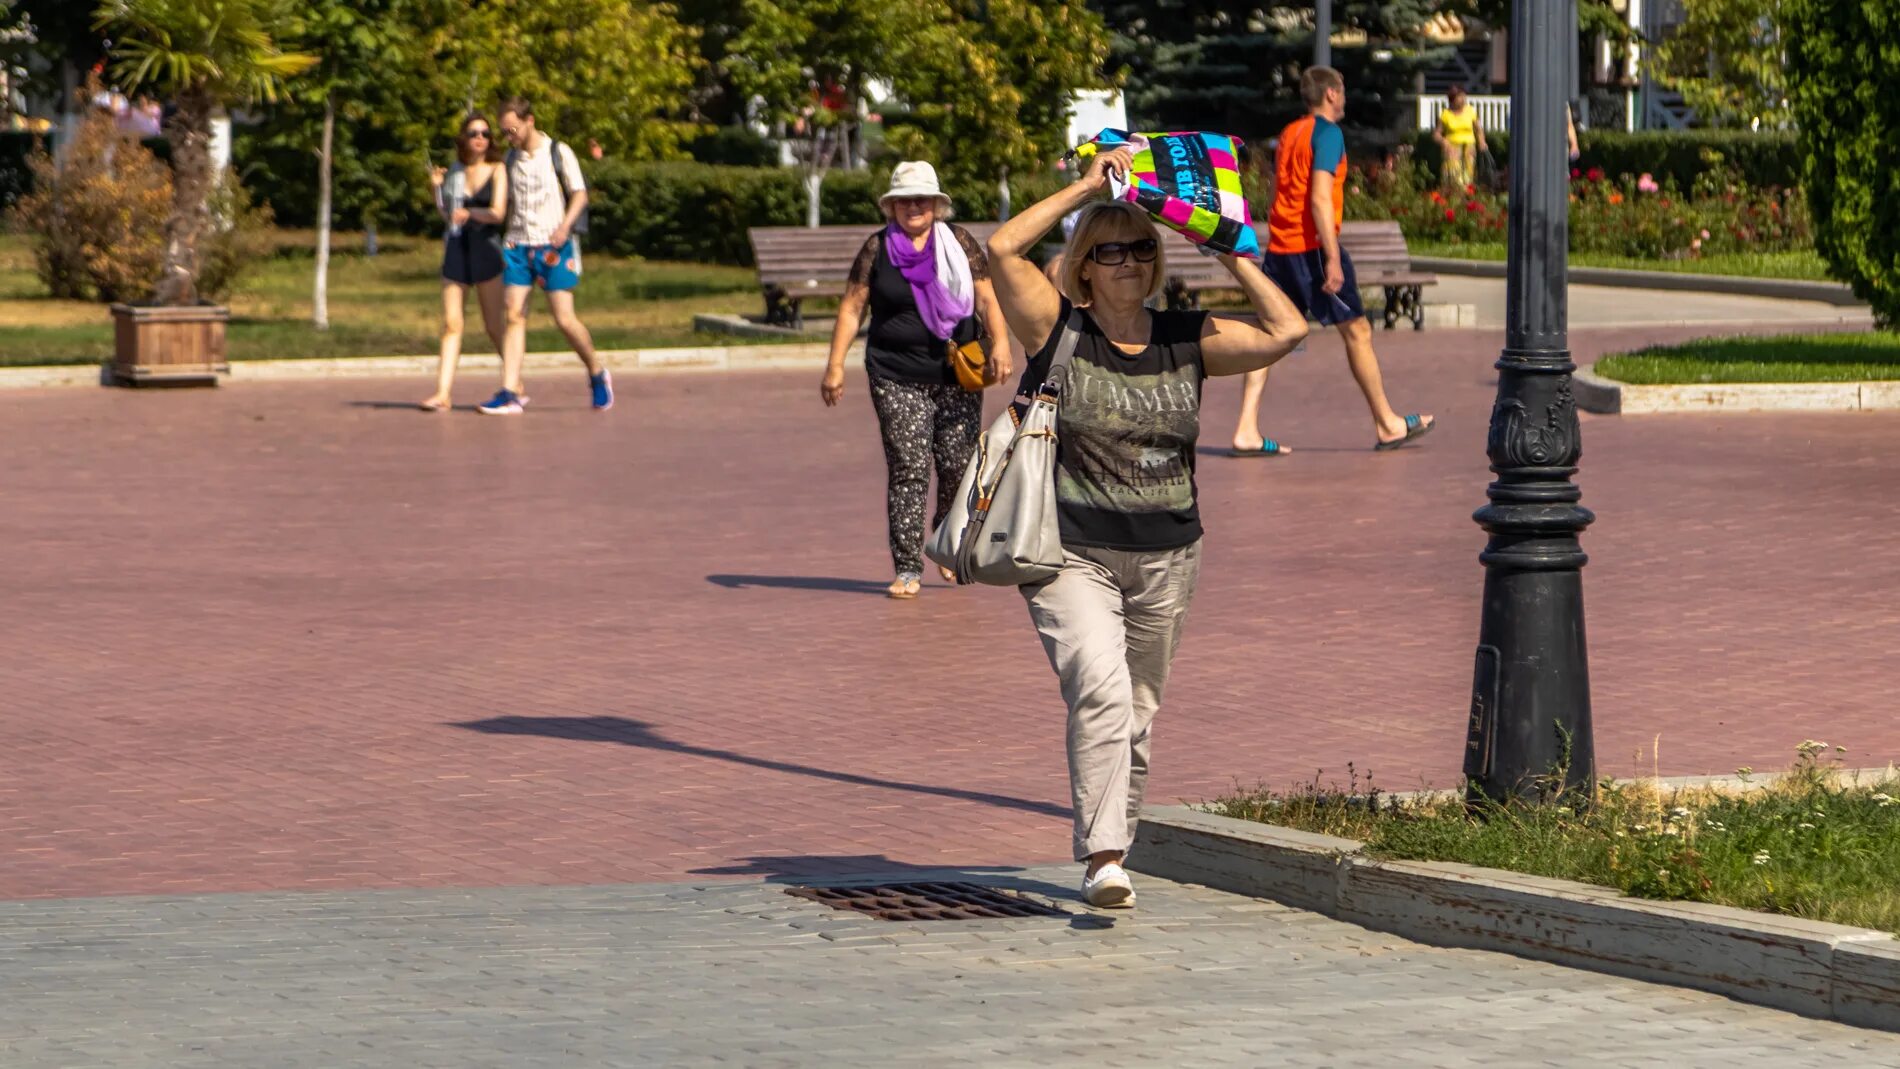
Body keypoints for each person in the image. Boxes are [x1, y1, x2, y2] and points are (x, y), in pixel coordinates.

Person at [986, 147, 1308, 908]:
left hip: (1168, 555)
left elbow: (1288, 327)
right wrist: (1090, 186)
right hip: (1068, 551)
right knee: (1100, 689)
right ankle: (1103, 856)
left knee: (1136, 709)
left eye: (1140, 248)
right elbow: (1002, 247)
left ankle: (1114, 844)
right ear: (1084, 267)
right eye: (1109, 250)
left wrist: (1224, 246)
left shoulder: (1186, 336)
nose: (1127, 261)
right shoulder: (1057, 330)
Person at [819, 162, 1012, 600]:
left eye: (921, 198)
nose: (913, 206)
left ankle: (944, 543)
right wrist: (834, 366)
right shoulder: (877, 249)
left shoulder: (959, 243)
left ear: (936, 205)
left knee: (956, 464)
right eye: (905, 200)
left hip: (958, 371)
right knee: (909, 467)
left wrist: (1000, 342)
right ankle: (907, 567)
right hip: (895, 373)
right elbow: (852, 308)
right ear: (891, 207)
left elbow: (985, 295)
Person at [1231, 66, 1434, 456]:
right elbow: (1321, 198)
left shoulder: (1290, 133)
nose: (1344, 97)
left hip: (1281, 248)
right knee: (1356, 332)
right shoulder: (1328, 134)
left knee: (1269, 332)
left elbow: (1277, 189)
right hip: (1312, 250)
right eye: (1342, 90)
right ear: (1330, 94)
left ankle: (1246, 429)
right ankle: (1387, 423)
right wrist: (1332, 259)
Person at [478, 97, 612, 415]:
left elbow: (579, 193)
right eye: (504, 132)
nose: (508, 137)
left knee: (564, 319)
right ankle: (510, 391)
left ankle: (596, 372)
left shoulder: (558, 152)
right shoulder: (510, 160)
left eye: (512, 130)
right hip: (517, 246)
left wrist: (565, 226)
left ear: (530, 121)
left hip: (554, 245)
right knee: (513, 314)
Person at [421, 113, 510, 412]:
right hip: (457, 247)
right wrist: (436, 188)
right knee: (451, 323)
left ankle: (513, 383)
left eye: (485, 133)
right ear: (464, 137)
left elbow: (498, 213)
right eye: (474, 133)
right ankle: (442, 393)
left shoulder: (498, 169)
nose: (480, 138)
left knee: (493, 325)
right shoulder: (456, 171)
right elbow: (447, 213)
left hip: (486, 248)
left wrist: (473, 214)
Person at [1435, 86, 1486, 189]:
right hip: (1452, 148)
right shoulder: (1446, 114)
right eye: (1460, 97)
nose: (1463, 99)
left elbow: (1479, 129)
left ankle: (1467, 196)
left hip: (1468, 148)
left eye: (1464, 96)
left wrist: (1481, 141)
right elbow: (1436, 134)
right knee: (1454, 177)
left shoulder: (1471, 111)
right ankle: (1454, 196)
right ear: (1453, 99)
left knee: (1468, 176)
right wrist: (1443, 141)